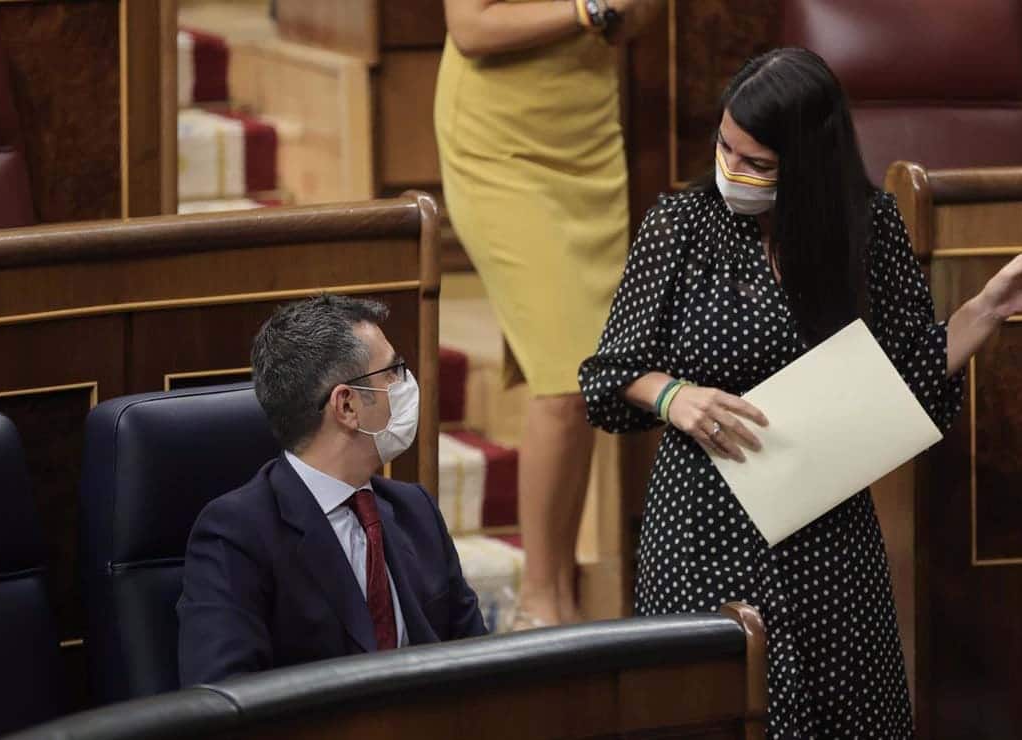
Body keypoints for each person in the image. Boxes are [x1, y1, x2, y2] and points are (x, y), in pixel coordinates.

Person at [579, 48, 1022, 737]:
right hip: (703, 526)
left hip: (826, 533)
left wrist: (989, 308)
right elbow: (606, 378)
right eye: (725, 148)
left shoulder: (867, 225)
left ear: (808, 164)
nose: (732, 171)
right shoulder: (679, 225)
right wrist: (673, 397)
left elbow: (906, 380)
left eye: (757, 163)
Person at [435, 0, 665, 627]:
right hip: (499, 144)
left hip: (586, 138)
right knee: (569, 378)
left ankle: (559, 588)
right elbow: (472, 27)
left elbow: (636, 18)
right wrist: (587, 9)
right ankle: (538, 604)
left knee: (588, 381)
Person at [178, 295, 486, 686]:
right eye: (393, 371)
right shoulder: (236, 535)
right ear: (347, 406)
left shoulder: (415, 511)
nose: (406, 385)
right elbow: (224, 702)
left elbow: (480, 665)